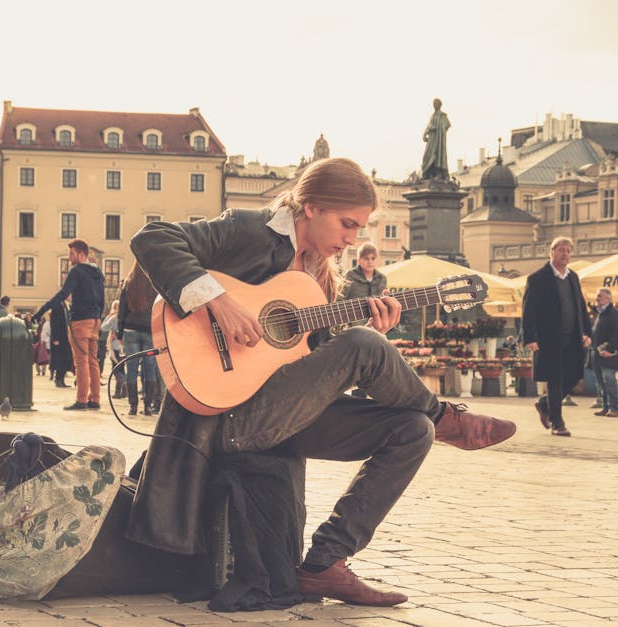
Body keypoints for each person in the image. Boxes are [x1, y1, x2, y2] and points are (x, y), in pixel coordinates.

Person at [129, 157, 515, 606]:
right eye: (347, 224)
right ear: (309, 207)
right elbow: (152, 238)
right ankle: (450, 418)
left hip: (281, 415)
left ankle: (325, 564)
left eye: (359, 229)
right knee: (361, 346)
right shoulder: (248, 230)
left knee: (412, 429)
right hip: (227, 417)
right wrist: (219, 302)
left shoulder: (320, 277)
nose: (352, 238)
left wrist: (374, 336)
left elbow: (314, 365)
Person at [522, 236, 590, 437]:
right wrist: (530, 337)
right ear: (551, 252)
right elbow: (528, 310)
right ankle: (557, 423)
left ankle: (544, 404)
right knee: (555, 379)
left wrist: (587, 331)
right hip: (548, 339)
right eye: (561, 250)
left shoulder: (573, 277)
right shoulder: (538, 278)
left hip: (572, 337)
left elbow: (581, 307)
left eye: (569, 250)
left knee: (574, 376)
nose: (565, 254)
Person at [33, 239, 105, 411]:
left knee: (81, 362)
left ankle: (81, 400)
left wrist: (41, 310)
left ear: (81, 254)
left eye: (71, 254)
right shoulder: (98, 273)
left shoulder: (77, 271)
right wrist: (97, 315)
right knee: (93, 361)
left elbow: (63, 294)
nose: (69, 257)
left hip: (80, 320)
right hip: (95, 320)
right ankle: (94, 399)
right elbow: (102, 299)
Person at [341, 242, 387, 398]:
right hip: (354, 328)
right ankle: (357, 398)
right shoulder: (349, 277)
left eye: (373, 258)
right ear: (359, 260)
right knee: (358, 364)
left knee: (373, 364)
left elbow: (384, 302)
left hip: (376, 327)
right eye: (366, 258)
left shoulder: (381, 278)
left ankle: (370, 398)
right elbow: (340, 300)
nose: (370, 261)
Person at [117, 264, 160, 416]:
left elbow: (122, 309)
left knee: (132, 368)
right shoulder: (156, 280)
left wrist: (119, 332)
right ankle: (148, 406)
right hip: (150, 330)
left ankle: (133, 406)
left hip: (130, 329)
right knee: (149, 368)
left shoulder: (129, 282)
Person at [589, 288, 618, 418]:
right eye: (597, 296)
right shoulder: (599, 314)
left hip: (608, 354)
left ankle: (614, 408)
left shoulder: (614, 314)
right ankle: (605, 407)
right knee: (600, 382)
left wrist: (610, 350)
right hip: (597, 353)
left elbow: (617, 334)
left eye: (600, 297)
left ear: (608, 299)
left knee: (609, 380)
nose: (597, 299)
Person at [420, 98, 451, 181]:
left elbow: (447, 125)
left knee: (438, 155)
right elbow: (429, 126)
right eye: (433, 103)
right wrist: (424, 134)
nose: (434, 105)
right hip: (432, 138)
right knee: (427, 155)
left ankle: (439, 173)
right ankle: (427, 173)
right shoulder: (432, 115)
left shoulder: (443, 116)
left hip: (439, 139)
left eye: (436, 103)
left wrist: (440, 130)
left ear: (439, 105)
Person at [99, 300, 126, 397]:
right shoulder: (125, 316)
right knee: (122, 368)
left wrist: (109, 316)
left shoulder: (114, 318)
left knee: (116, 369)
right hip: (124, 346)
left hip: (115, 346)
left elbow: (103, 327)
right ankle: (124, 391)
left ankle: (118, 391)